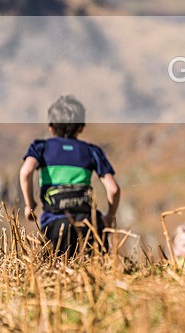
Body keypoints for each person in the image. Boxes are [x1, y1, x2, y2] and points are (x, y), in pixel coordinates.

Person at [19, 95, 121, 256]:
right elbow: (113, 189)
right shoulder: (92, 151)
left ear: (51, 127)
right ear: (81, 128)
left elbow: (25, 172)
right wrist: (109, 216)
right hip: (88, 224)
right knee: (96, 274)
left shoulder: (41, 147)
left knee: (53, 272)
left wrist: (29, 205)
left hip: (54, 224)